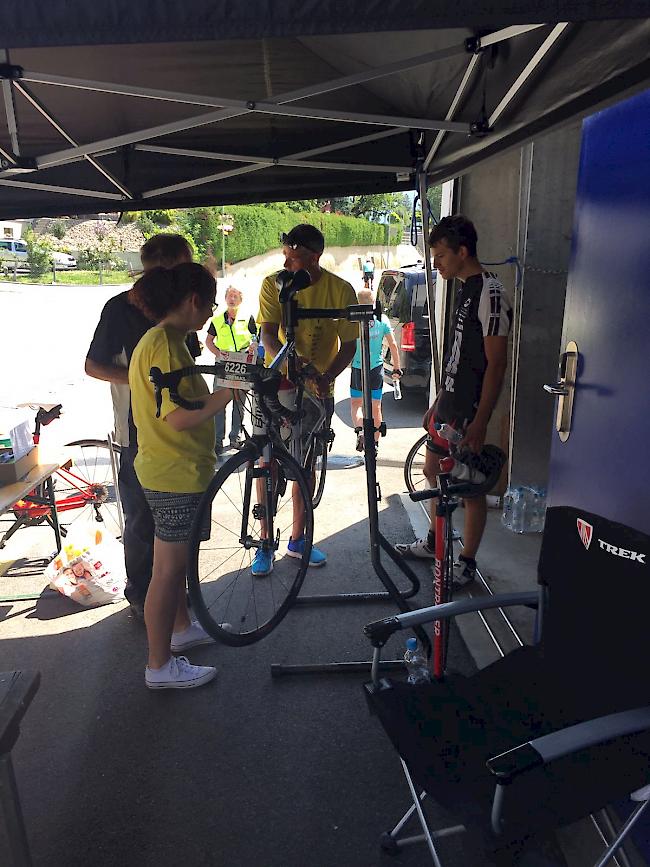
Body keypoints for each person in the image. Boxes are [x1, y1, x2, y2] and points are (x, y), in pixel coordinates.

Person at [85, 234, 202, 620]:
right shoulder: (120, 308)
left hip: (178, 435)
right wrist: (141, 380)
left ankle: (175, 602)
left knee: (175, 530)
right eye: (183, 267)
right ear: (164, 267)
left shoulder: (180, 307)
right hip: (139, 434)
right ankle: (142, 598)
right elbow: (94, 365)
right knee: (141, 521)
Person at [128, 263, 232, 690]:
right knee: (167, 570)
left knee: (170, 564)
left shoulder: (161, 340)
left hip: (164, 467)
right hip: (174, 471)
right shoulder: (167, 344)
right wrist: (227, 395)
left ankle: (182, 628)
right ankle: (159, 666)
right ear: (193, 301)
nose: (209, 313)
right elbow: (176, 417)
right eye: (207, 304)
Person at [396, 215, 512, 588]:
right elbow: (458, 355)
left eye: (442, 255)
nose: (437, 264)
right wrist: (438, 400)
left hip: (468, 411)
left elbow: (497, 363)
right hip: (448, 405)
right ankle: (434, 542)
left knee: (469, 488)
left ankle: (466, 561)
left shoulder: (491, 293)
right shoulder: (463, 287)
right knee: (432, 473)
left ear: (463, 252)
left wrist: (480, 421)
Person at [255, 223, 358, 576]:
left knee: (306, 462)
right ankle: (264, 541)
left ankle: (299, 539)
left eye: (294, 258)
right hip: (278, 383)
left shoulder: (341, 290)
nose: (286, 264)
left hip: (318, 389)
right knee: (266, 462)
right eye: (285, 256)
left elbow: (349, 345)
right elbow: (267, 333)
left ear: (315, 257)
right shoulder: (273, 284)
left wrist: (326, 377)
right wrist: (286, 359)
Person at [205, 285, 256, 453]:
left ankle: (236, 438)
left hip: (241, 363)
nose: (232, 298)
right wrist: (218, 354)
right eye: (229, 295)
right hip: (223, 365)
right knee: (219, 403)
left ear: (240, 300)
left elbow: (256, 338)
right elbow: (209, 341)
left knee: (239, 402)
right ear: (225, 299)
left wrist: (253, 348)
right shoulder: (218, 319)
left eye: (235, 296)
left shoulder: (247, 317)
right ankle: (218, 441)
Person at [349, 288, 401, 453]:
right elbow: (393, 345)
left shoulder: (353, 321)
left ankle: (360, 430)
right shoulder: (382, 319)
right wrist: (396, 367)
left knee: (356, 404)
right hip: (376, 367)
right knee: (376, 407)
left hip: (358, 367)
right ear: (374, 302)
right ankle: (375, 444)